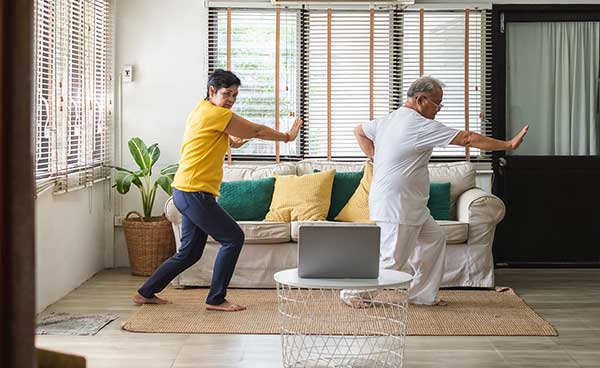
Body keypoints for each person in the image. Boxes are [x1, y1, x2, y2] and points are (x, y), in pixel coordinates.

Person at [343, 75, 528, 307]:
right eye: (437, 104)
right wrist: (508, 145)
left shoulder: (389, 119)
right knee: (393, 260)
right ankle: (353, 294)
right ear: (420, 99)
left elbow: (359, 131)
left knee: (434, 240)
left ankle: (422, 295)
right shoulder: (418, 125)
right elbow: (467, 138)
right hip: (398, 204)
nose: (439, 110)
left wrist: (378, 157)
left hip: (412, 204)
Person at [133, 69, 302, 312]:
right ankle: (216, 299)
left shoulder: (203, 110)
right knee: (233, 238)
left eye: (235, 94)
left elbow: (213, 136)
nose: (231, 99)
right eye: (227, 94)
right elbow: (255, 130)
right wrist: (287, 137)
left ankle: (145, 292)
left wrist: (233, 142)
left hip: (187, 190)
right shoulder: (214, 113)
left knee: (190, 253)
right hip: (194, 192)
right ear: (212, 91)